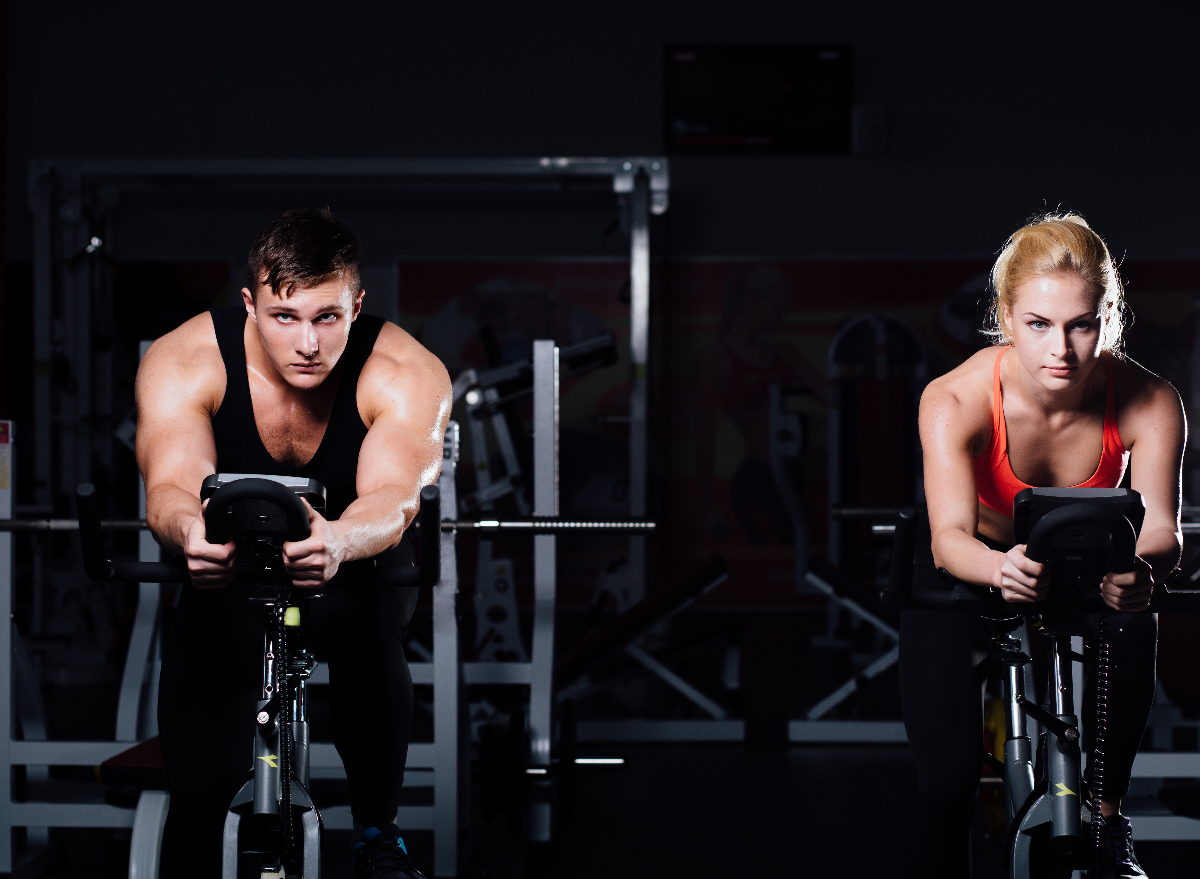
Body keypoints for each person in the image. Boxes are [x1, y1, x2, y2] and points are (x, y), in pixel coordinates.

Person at [136, 209, 451, 879]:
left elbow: (395, 494)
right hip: (228, 567)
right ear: (249, 303)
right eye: (285, 317)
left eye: (328, 317)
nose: (307, 342)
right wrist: (191, 530)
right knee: (203, 669)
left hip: (350, 562)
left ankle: (376, 832)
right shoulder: (185, 359)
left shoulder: (402, 368)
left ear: (357, 304)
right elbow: (167, 482)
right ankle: (197, 830)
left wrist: (340, 538)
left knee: (372, 628)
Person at [905, 213, 1185, 878]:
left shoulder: (1150, 400)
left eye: (1081, 324)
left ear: (1108, 317)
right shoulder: (953, 398)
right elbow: (948, 537)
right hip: (972, 560)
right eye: (1038, 324)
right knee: (946, 785)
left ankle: (1106, 820)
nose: (1060, 347)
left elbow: (1161, 528)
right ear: (1006, 316)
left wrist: (1140, 569)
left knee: (1134, 618)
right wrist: (998, 567)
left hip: (1087, 554)